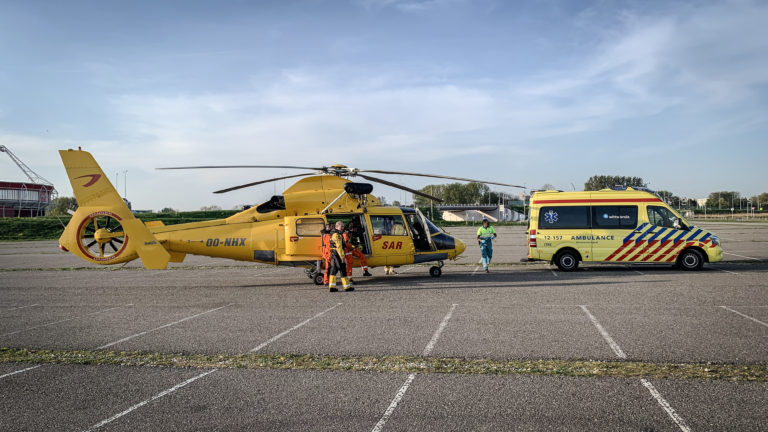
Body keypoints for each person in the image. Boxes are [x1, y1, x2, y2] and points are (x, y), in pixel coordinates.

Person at [328, 221, 353, 292]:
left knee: (333, 270)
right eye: (341, 226)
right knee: (342, 269)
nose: (342, 228)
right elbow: (339, 247)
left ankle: (332, 287)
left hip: (333, 253)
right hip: (337, 254)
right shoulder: (337, 235)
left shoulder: (333, 233)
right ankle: (347, 287)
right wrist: (342, 257)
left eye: (343, 226)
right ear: (337, 227)